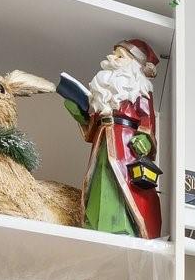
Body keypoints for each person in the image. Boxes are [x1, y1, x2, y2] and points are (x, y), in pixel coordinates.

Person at [60, 39, 164, 238]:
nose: (112, 58)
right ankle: (94, 222)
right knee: (98, 179)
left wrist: (144, 139)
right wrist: (78, 111)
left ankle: (120, 224)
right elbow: (92, 127)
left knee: (120, 183)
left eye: (119, 56)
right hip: (102, 141)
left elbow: (147, 121)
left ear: (134, 65)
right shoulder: (106, 95)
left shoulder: (140, 92)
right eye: (114, 54)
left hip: (125, 146)